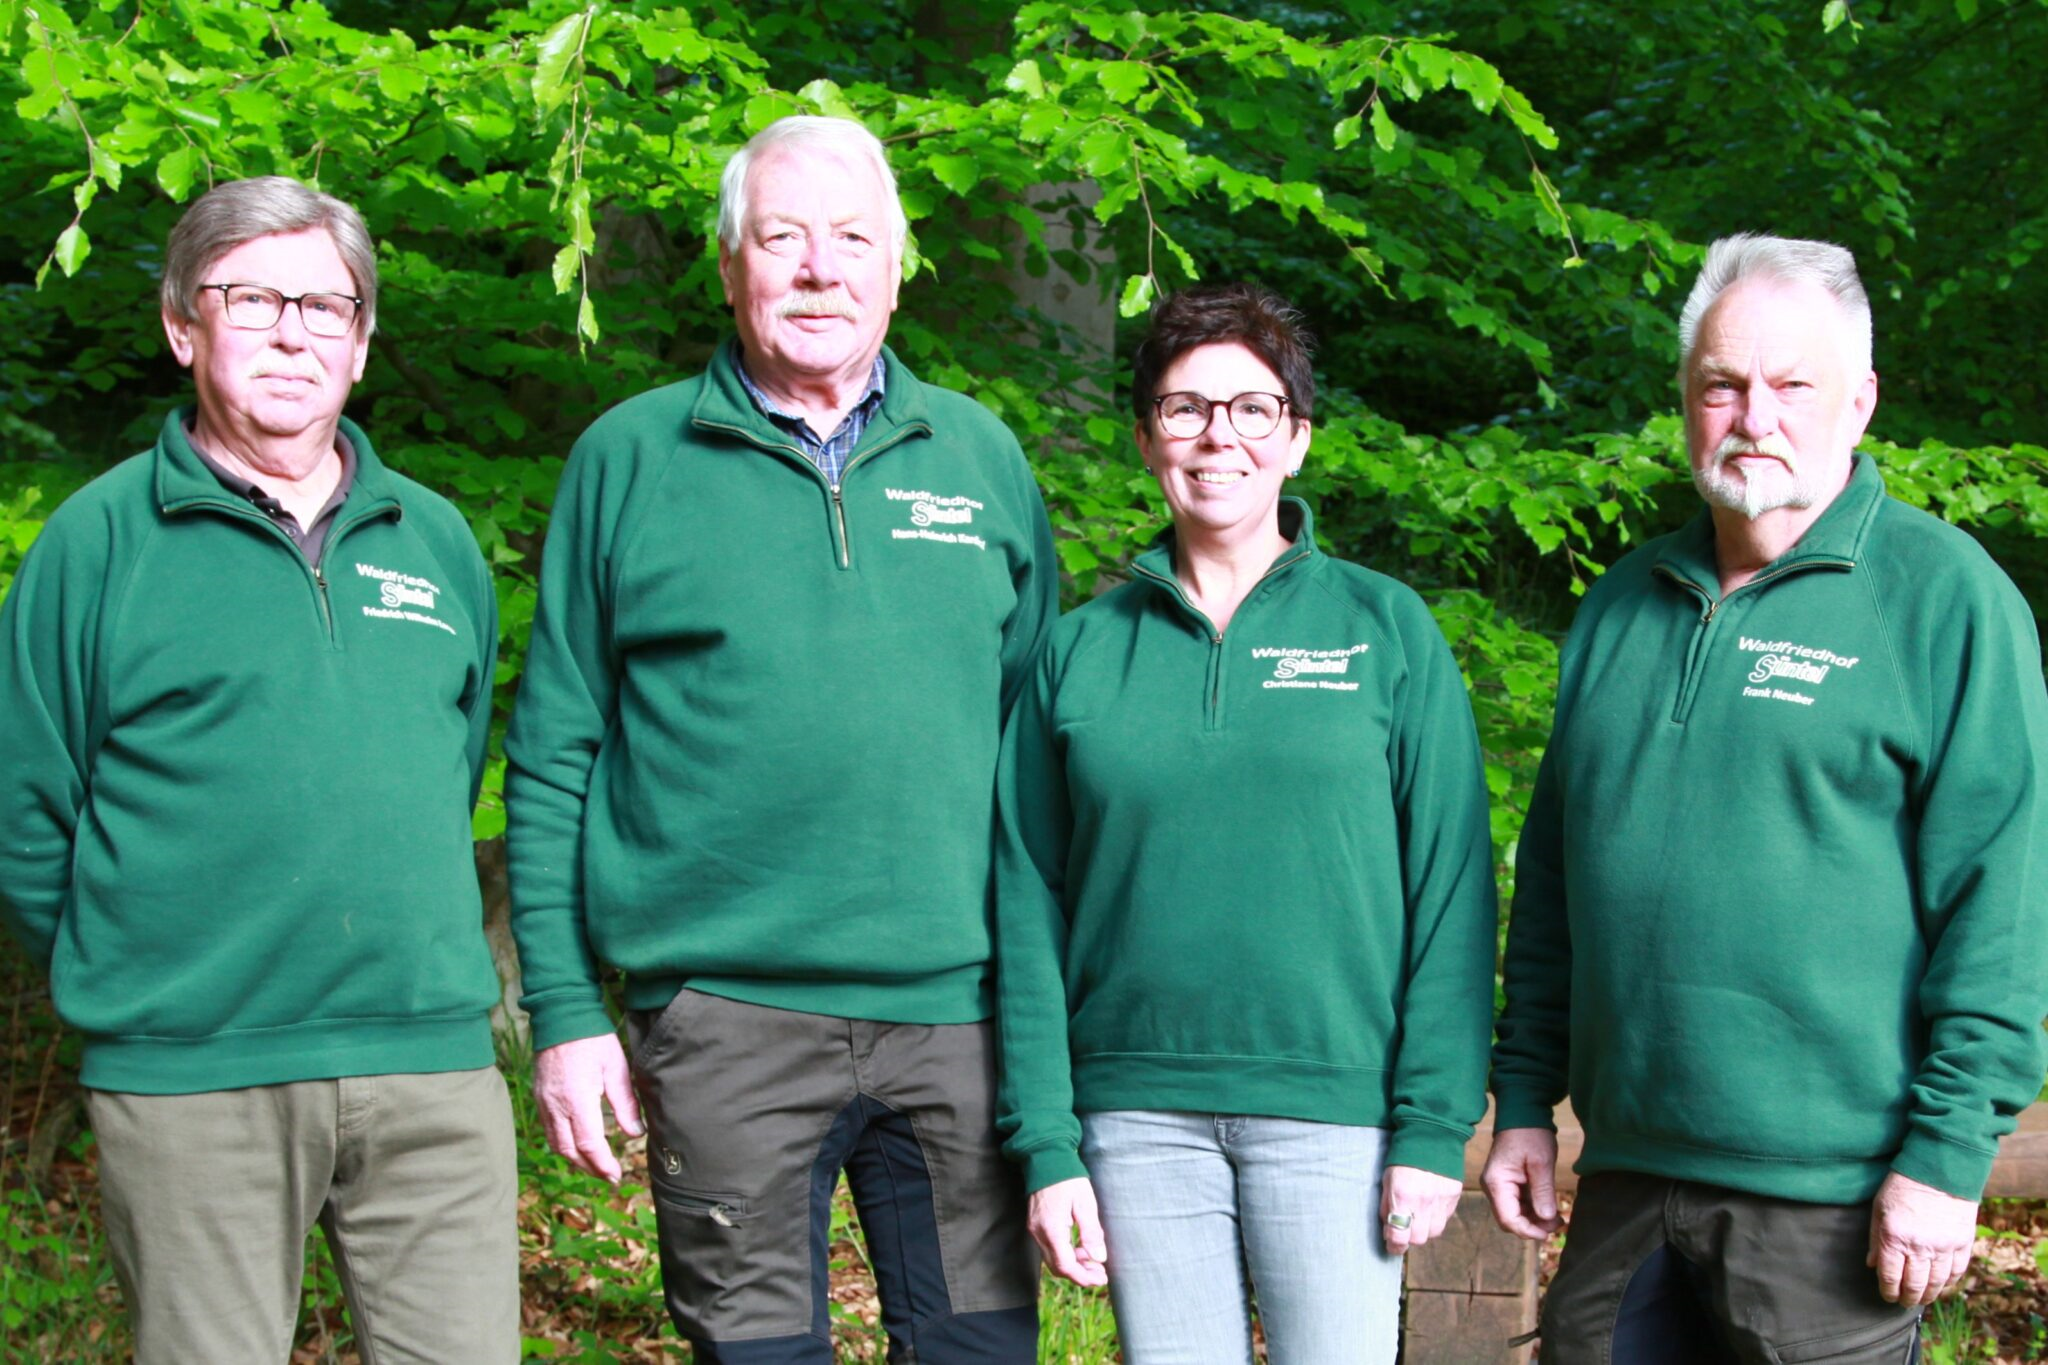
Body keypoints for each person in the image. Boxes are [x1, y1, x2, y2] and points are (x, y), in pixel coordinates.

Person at [505, 115, 1058, 1362]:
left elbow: (1038, 768)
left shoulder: (979, 458)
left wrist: (1046, 1022)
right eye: (782, 238)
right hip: (726, 1021)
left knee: (978, 1351)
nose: (819, 269)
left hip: (957, 1021)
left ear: (897, 267)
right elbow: (550, 756)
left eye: (852, 239)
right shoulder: (629, 460)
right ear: (728, 266)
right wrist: (564, 1010)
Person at [1484, 234, 2048, 1361]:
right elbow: (1554, 881)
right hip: (1624, 1175)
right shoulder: (1621, 604)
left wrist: (1946, 1159)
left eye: (1792, 385)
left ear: (1859, 400)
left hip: (1832, 1199)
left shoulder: (1944, 600)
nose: (1754, 417)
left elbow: (2004, 904)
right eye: (1721, 386)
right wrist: (1523, 1102)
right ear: (1685, 400)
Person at [0, 177, 515, 1363]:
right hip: (194, 1077)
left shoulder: (436, 542)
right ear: (183, 326)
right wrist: (144, 982)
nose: (294, 333)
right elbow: (27, 813)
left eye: (326, 306)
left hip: (429, 1070)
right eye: (252, 300)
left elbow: (444, 771)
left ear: (362, 342)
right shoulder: (100, 546)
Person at [995, 283, 1498, 1363]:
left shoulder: (1384, 629)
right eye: (1184, 408)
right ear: (1145, 439)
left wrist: (1431, 1123)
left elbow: (1452, 891)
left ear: (1297, 437)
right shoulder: (1080, 652)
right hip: (1135, 1118)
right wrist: (1046, 1142)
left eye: (1252, 408)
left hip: (1335, 1114)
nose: (1217, 435)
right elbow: (1026, 904)